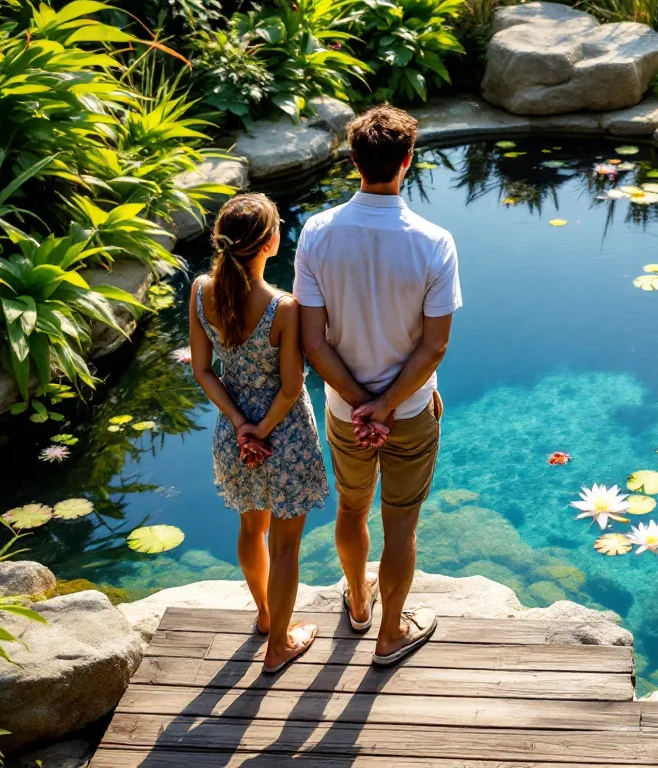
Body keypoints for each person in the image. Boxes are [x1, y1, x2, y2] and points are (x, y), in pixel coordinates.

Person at [295, 105, 460, 667]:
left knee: (350, 508)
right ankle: (390, 633)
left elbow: (313, 343)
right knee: (401, 524)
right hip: (410, 410)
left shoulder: (316, 233)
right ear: (407, 163)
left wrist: (362, 406)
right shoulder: (435, 241)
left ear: (353, 161)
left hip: (344, 412)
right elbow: (434, 346)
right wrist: (387, 405)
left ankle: (359, 606)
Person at [188, 193, 329, 674]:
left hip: (234, 434)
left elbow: (204, 371)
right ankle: (278, 649)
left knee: (252, 527)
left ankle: (268, 618)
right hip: (284, 436)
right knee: (285, 546)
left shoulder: (202, 289)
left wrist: (241, 426)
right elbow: (292, 386)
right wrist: (263, 430)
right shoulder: (283, 307)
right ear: (270, 243)